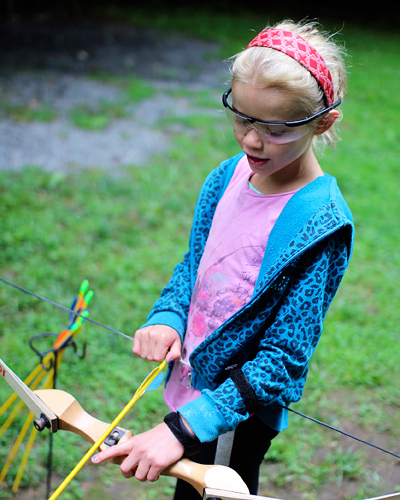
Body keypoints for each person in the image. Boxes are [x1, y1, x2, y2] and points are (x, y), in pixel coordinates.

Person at [92, 19, 354, 498]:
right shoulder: (227, 176)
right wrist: (169, 316)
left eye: (275, 129)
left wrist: (182, 429)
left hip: (235, 416)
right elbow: (196, 264)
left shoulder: (322, 226)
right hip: (191, 394)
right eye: (242, 118)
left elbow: (281, 361)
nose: (251, 141)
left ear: (323, 122)